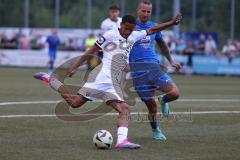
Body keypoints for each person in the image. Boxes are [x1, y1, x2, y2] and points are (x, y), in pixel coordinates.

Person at [33, 14, 182, 149]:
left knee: (124, 109)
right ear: (121, 25)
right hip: (100, 78)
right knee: (75, 103)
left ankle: (122, 141)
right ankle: (51, 80)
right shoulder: (110, 35)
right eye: (126, 29)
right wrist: (75, 67)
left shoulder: (134, 35)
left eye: (130, 30)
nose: (127, 32)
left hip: (114, 83)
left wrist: (171, 23)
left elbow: (153, 29)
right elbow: (91, 50)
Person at [129, 0, 182, 140]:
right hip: (138, 72)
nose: (146, 14)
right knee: (152, 108)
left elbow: (162, 44)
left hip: (154, 68)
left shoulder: (154, 26)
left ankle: (163, 100)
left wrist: (171, 61)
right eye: (143, 11)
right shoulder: (130, 27)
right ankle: (156, 130)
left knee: (175, 93)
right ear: (138, 10)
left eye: (148, 11)